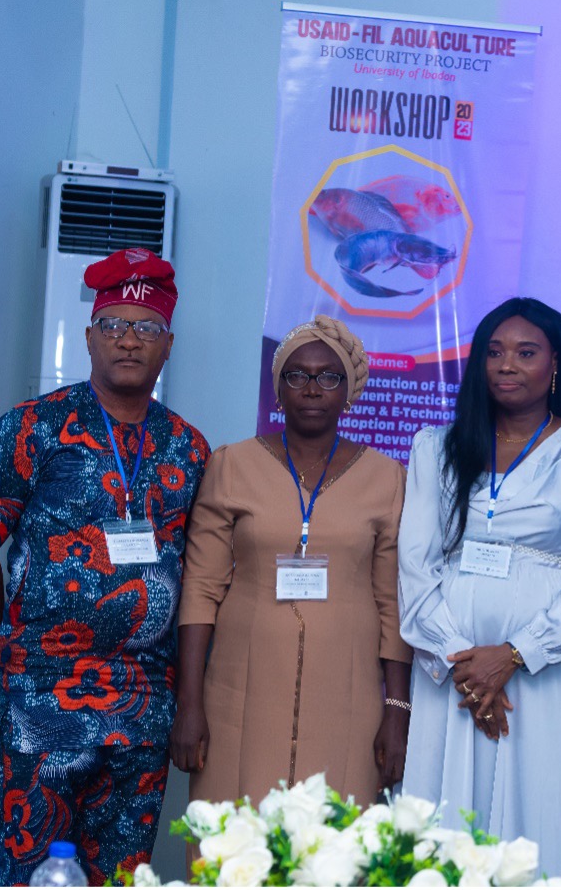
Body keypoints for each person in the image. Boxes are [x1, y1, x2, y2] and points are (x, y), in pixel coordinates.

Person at [0, 248, 210, 885]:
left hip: (143, 709)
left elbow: (199, 573)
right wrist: (3, 647)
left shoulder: (189, 446)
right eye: (114, 325)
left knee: (124, 876)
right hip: (41, 699)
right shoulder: (32, 427)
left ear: (168, 345)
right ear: (89, 338)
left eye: (145, 328)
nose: (128, 339)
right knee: (27, 869)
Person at [398, 297, 561, 884]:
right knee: (446, 817)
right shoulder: (436, 448)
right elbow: (415, 565)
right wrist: (465, 662)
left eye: (526, 353)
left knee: (537, 807)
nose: (507, 365)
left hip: (544, 672)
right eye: (494, 352)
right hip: (451, 670)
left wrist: (514, 654)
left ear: (555, 366)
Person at [171, 315, 411, 810]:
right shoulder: (231, 465)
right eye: (297, 375)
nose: (312, 388)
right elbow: (200, 587)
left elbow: (393, 602)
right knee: (237, 838)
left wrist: (397, 711)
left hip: (348, 694)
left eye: (329, 376)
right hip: (241, 688)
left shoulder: (388, 478)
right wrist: (189, 703)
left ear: (349, 391)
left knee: (335, 843)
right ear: (277, 389)